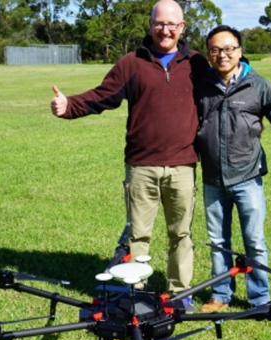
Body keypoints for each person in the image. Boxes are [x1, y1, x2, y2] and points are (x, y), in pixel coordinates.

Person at [50, 0, 209, 299]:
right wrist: (68, 105)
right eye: (159, 23)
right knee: (139, 236)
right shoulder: (132, 62)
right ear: (149, 25)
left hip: (183, 165)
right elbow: (102, 96)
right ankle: (137, 294)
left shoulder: (197, 63)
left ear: (182, 27)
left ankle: (179, 293)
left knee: (182, 234)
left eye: (172, 24)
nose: (165, 30)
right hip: (141, 166)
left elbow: (226, 81)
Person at [195, 25, 271, 313]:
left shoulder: (257, 85)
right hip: (213, 178)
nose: (222, 55)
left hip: (247, 177)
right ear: (208, 53)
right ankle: (221, 294)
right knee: (217, 242)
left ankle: (259, 298)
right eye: (215, 50)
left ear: (240, 51)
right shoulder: (201, 84)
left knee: (254, 241)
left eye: (229, 49)